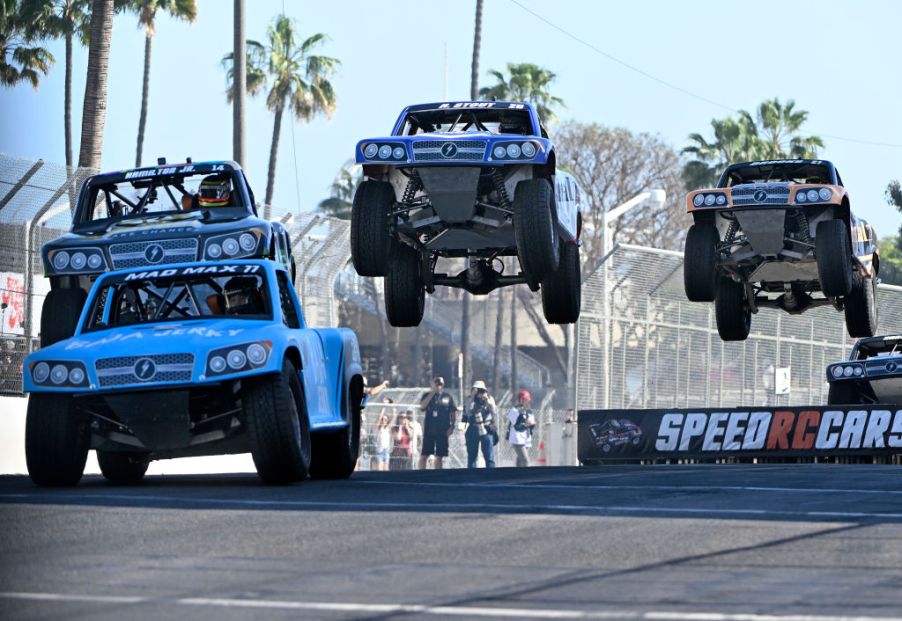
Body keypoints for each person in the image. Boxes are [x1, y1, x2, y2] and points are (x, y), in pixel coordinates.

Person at [418, 376, 456, 470]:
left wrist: (452, 427)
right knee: (424, 456)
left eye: (440, 384)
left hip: (442, 430)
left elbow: (453, 412)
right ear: (432, 383)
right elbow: (422, 407)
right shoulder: (427, 395)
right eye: (437, 383)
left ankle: (438, 476)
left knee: (439, 456)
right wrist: (432, 392)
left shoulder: (447, 397)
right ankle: (421, 475)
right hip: (429, 430)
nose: (439, 385)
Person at [461, 380, 497, 468]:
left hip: (487, 428)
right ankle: (472, 477)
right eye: (477, 390)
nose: (479, 393)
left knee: (489, 457)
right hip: (473, 428)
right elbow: (467, 413)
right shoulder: (469, 399)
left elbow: (494, 412)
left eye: (482, 390)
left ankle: (492, 477)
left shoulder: (489, 399)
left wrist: (487, 400)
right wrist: (473, 398)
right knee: (472, 457)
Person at [508, 390, 536, 467]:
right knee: (525, 460)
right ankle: (526, 477)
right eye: (524, 400)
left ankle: (517, 477)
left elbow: (531, 425)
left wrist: (531, 424)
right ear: (520, 400)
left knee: (520, 461)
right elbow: (517, 426)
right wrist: (525, 423)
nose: (526, 402)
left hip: (526, 439)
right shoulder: (514, 410)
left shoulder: (529, 411)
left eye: (527, 400)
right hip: (517, 439)